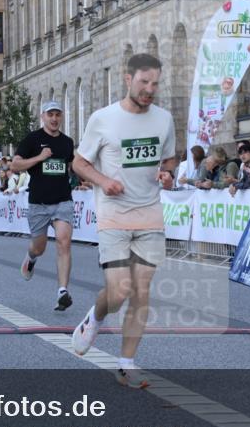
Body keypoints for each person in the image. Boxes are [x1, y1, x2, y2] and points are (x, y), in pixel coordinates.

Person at [70, 53, 176, 388]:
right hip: (114, 216)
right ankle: (97, 315)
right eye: (144, 82)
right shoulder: (103, 119)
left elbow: (170, 158)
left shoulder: (164, 119)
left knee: (141, 292)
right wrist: (104, 181)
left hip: (149, 216)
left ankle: (127, 363)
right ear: (127, 79)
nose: (150, 89)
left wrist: (167, 173)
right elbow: (79, 163)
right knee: (119, 292)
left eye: (155, 83)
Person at [13, 100, 77, 311]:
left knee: (63, 241)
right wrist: (39, 157)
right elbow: (15, 165)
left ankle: (62, 291)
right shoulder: (33, 139)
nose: (54, 118)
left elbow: (71, 167)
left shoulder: (67, 142)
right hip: (39, 203)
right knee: (39, 247)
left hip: (63, 200)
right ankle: (31, 257)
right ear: (43, 117)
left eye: (58, 114)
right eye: (50, 114)